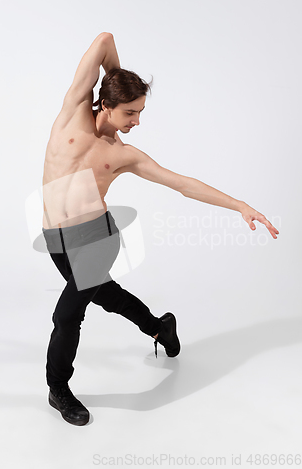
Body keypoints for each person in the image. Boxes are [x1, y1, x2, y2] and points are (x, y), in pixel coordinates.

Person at [41, 32, 279, 426]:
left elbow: (182, 184)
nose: (137, 122)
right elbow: (104, 39)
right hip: (56, 239)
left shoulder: (124, 155)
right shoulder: (72, 111)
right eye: (130, 112)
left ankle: (57, 387)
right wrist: (116, 76)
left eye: (140, 113)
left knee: (67, 316)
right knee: (109, 297)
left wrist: (239, 205)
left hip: (97, 241)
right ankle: (160, 327)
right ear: (106, 103)